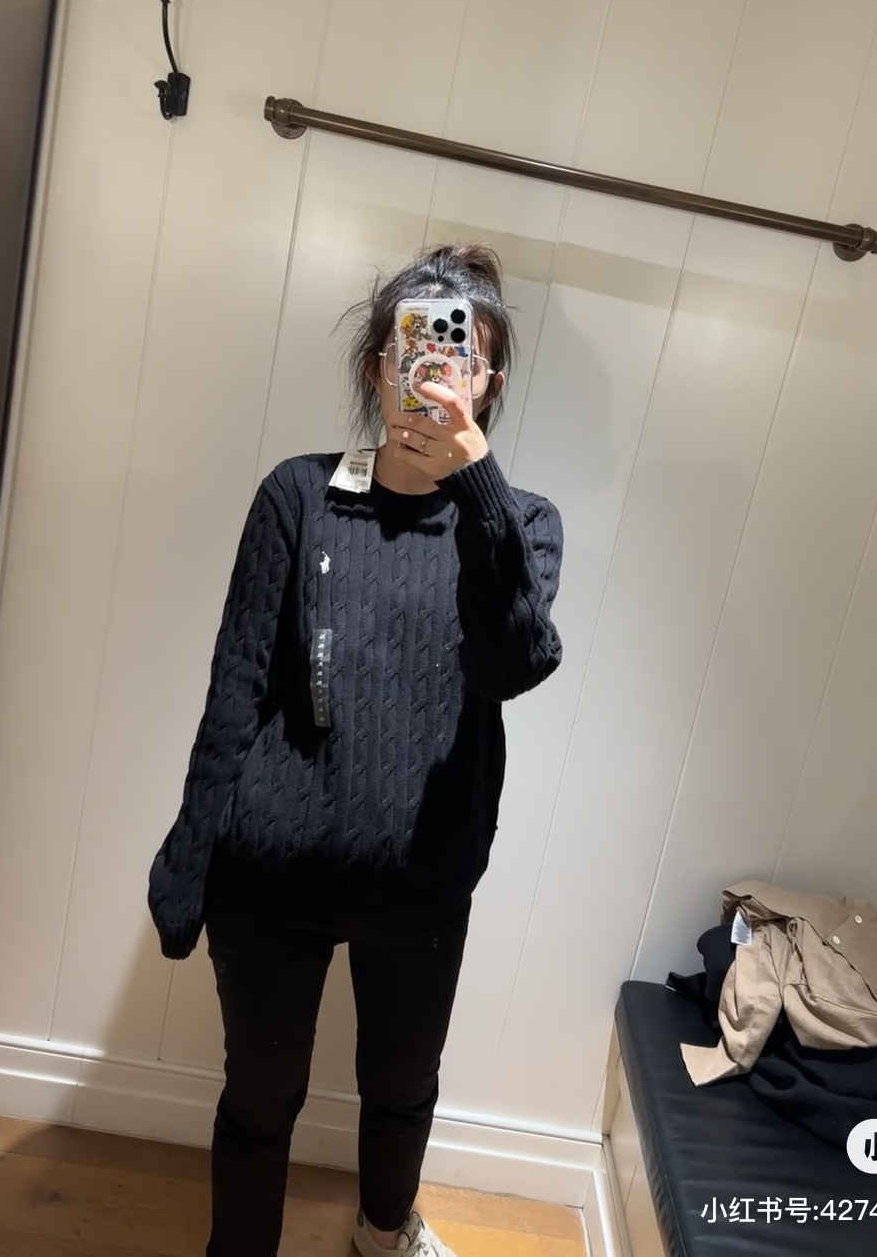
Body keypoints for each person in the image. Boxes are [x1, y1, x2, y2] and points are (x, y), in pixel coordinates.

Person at [147, 243, 564, 1257]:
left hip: (423, 887)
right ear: (379, 367)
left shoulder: (521, 523)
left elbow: (514, 663)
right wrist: (189, 856)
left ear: (487, 381)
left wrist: (477, 486)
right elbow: (237, 684)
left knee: (402, 1087)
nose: (431, 376)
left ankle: (383, 1232)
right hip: (269, 878)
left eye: (457, 357)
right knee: (259, 1097)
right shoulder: (297, 495)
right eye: (411, 352)